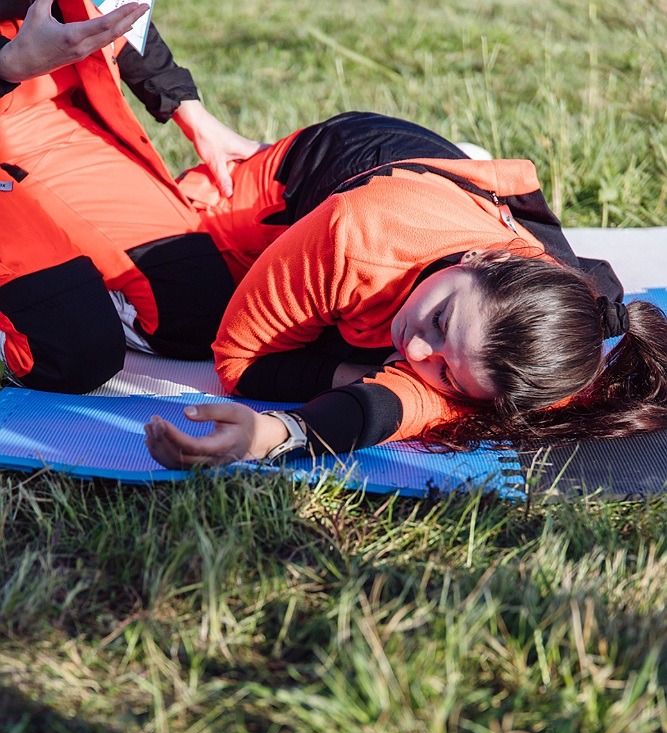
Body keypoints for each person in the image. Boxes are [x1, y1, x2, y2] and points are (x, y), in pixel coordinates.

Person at [143, 111, 667, 468]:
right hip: (308, 173)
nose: (415, 352)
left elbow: (404, 404)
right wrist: (374, 377)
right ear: (480, 258)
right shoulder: (356, 236)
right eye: (440, 321)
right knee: (172, 308)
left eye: (447, 374)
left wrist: (282, 433)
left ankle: (455, 173)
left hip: (432, 189)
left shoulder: (550, 355)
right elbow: (240, 363)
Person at [0, 0, 261, 391]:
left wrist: (189, 111)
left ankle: (81, 284)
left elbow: (115, 11)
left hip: (38, 123)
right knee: (71, 354)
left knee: (196, 311)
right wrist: (8, 67)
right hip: (13, 78)